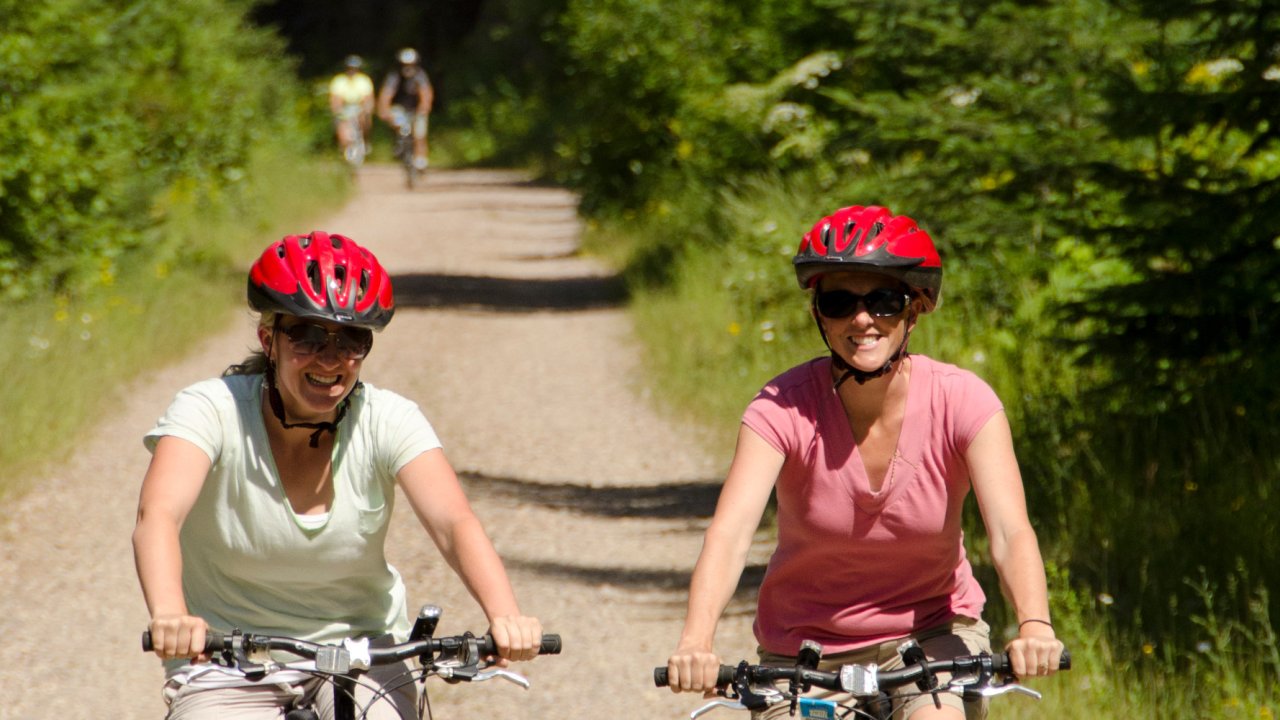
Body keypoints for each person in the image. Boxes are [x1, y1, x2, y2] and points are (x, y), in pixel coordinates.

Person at [664, 206, 1065, 719]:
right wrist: (696, 639)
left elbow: (1010, 531)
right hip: (806, 650)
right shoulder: (781, 406)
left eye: (883, 301)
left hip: (934, 634)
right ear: (819, 315)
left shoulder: (964, 402)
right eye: (839, 301)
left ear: (913, 311)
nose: (861, 319)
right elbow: (730, 533)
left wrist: (1035, 625)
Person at [133, 232, 543, 719]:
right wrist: (170, 614)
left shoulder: (388, 418)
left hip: (363, 654)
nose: (331, 358)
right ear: (269, 340)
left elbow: (454, 523)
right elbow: (158, 515)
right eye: (308, 336)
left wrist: (505, 615)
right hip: (229, 657)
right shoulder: (210, 409)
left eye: (352, 339)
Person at [377, 47, 433, 171]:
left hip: (416, 108)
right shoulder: (394, 76)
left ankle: (420, 160)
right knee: (397, 122)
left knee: (420, 134)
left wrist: (424, 107)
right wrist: (384, 109)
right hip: (399, 108)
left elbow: (425, 93)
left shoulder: (420, 75)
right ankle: (399, 144)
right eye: (405, 64)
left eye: (411, 64)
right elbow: (386, 93)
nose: (408, 67)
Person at [328, 55, 375, 162]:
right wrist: (339, 112)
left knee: (365, 119)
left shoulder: (364, 80)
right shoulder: (339, 81)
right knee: (341, 125)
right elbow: (336, 100)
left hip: (358, 107)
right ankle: (342, 147)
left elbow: (368, 98)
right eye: (350, 68)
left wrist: (366, 110)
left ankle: (365, 140)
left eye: (354, 68)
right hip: (345, 108)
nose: (352, 71)